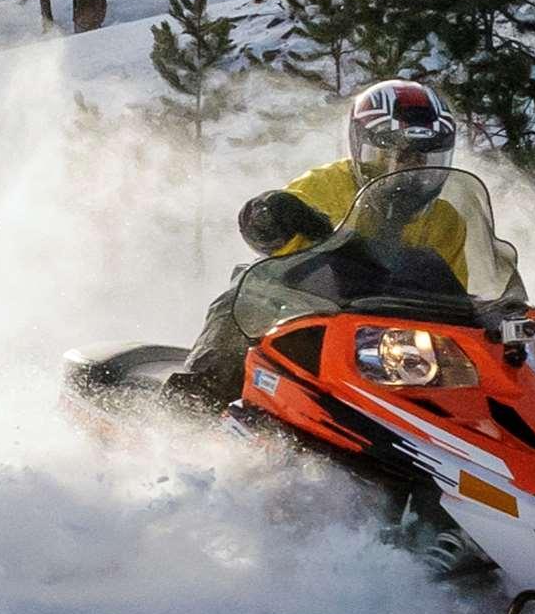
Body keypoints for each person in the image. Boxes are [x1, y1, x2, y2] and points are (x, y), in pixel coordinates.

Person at [172, 79, 474, 408]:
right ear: (365, 150)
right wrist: (270, 214)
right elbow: (272, 233)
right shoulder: (327, 185)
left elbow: (453, 301)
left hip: (397, 343)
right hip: (314, 316)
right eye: (396, 155)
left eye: (423, 158)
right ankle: (196, 400)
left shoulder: (447, 221)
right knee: (249, 289)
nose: (410, 169)